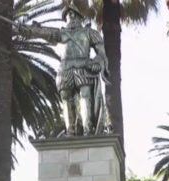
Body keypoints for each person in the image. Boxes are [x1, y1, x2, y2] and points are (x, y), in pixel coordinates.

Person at [20, 2, 109, 136]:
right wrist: (28, 30)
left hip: (83, 67)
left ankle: (87, 129)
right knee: (66, 98)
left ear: (79, 17)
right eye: (68, 15)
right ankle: (70, 130)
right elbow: (44, 32)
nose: (70, 16)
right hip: (65, 69)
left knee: (85, 96)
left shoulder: (89, 32)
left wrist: (97, 61)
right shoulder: (61, 33)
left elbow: (101, 52)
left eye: (73, 14)